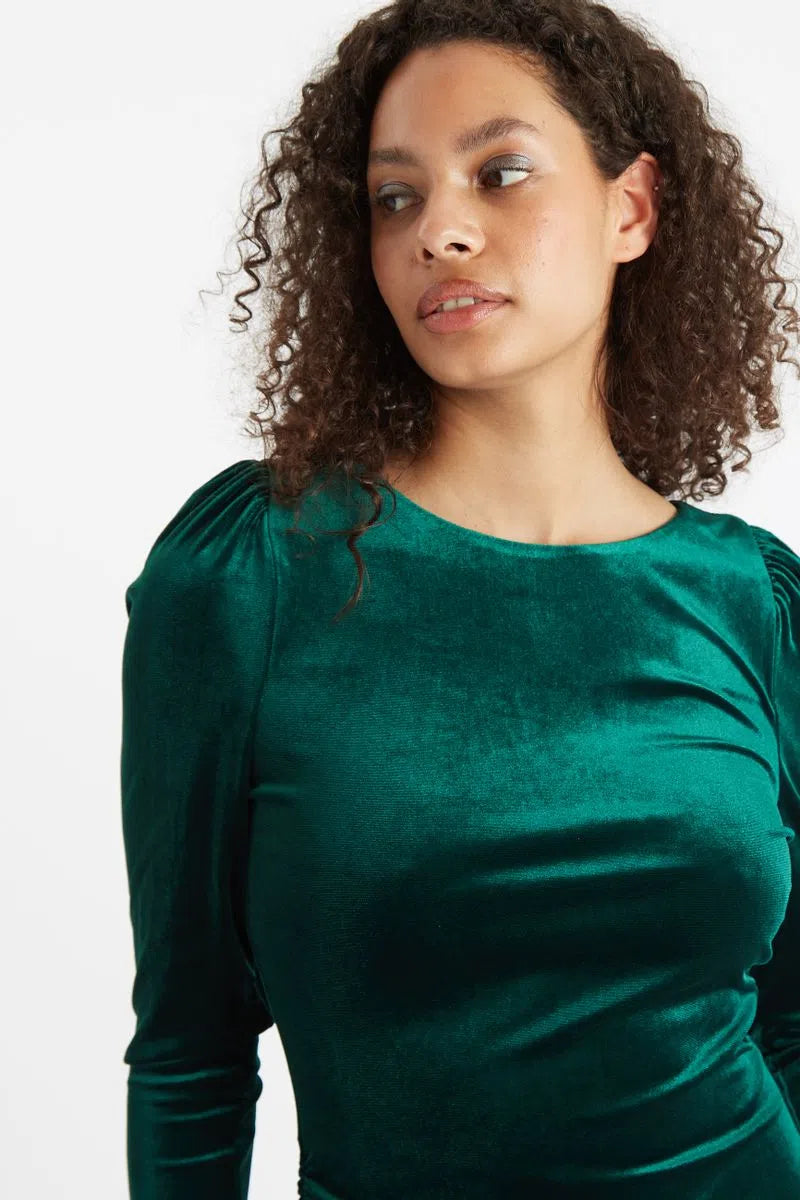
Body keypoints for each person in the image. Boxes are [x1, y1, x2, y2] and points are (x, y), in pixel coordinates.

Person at [120, 2, 800, 1196]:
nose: (438, 230)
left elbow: (789, 1024)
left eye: (500, 173)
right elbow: (192, 1055)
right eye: (395, 197)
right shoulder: (255, 568)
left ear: (631, 209)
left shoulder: (755, 600)